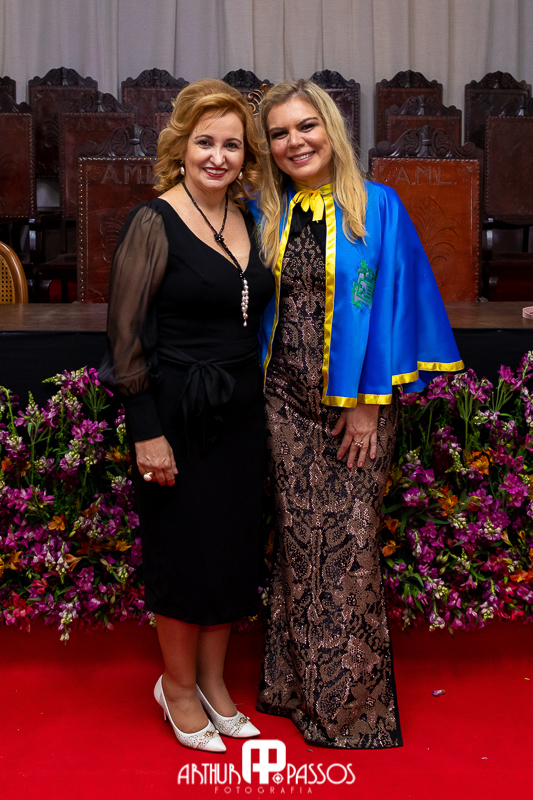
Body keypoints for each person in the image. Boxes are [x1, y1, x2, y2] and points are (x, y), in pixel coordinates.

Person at [252, 80, 464, 749]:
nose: (295, 142)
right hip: (283, 405)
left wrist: (370, 405)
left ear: (331, 129)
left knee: (347, 547)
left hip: (355, 410)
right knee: (298, 544)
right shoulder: (266, 211)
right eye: (280, 133)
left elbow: (391, 305)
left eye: (306, 126)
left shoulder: (375, 207)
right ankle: (290, 687)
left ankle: (349, 712)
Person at [99, 79, 274, 753]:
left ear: (245, 155)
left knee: (230, 549)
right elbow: (125, 336)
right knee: (182, 550)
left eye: (232, 144)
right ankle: (175, 687)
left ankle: (213, 682)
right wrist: (146, 430)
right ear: (181, 147)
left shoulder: (251, 217)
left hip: (240, 410)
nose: (218, 156)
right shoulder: (153, 220)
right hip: (174, 410)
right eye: (205, 142)